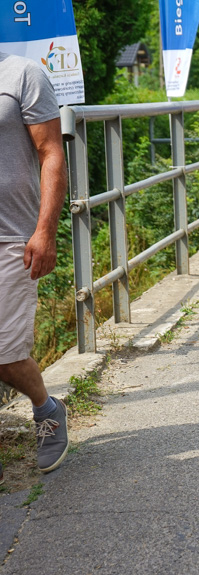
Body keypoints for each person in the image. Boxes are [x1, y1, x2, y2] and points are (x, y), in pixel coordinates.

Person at [0, 52, 70, 477]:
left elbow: (50, 153)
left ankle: (47, 409)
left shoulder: (22, 74)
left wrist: (45, 231)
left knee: (5, 353)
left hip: (12, 234)